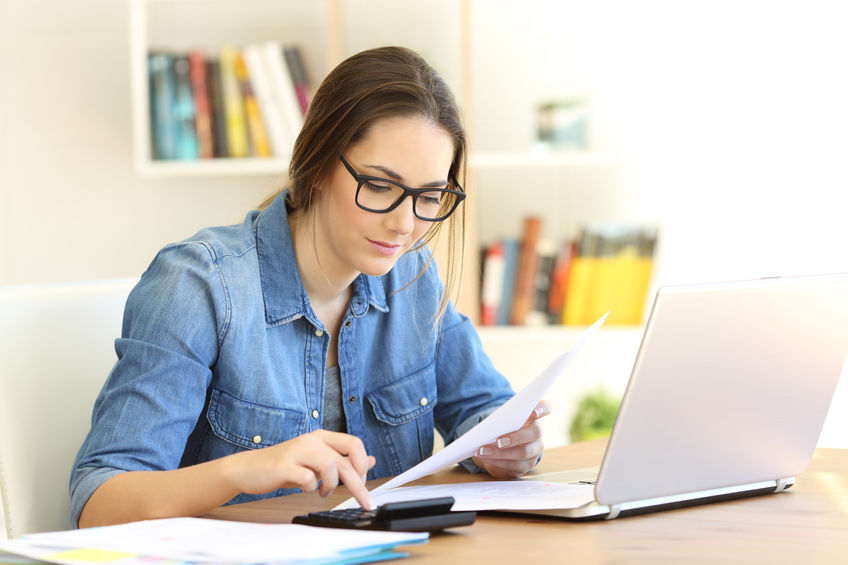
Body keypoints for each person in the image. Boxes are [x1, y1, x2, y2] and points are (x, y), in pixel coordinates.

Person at [71, 46, 549, 528]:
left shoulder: (413, 276)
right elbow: (98, 504)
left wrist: (508, 446)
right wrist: (242, 470)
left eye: (429, 196)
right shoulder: (199, 287)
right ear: (318, 164)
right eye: (381, 187)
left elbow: (481, 410)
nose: (406, 225)